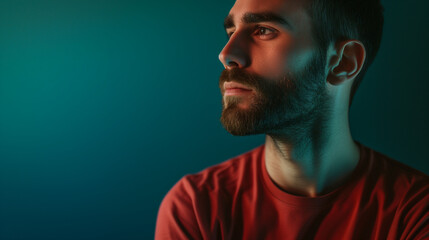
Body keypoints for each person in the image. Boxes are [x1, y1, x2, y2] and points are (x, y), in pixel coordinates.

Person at [155, 0, 429, 238]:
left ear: (343, 62)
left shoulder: (415, 211)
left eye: (263, 31)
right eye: (231, 31)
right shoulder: (197, 206)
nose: (226, 54)